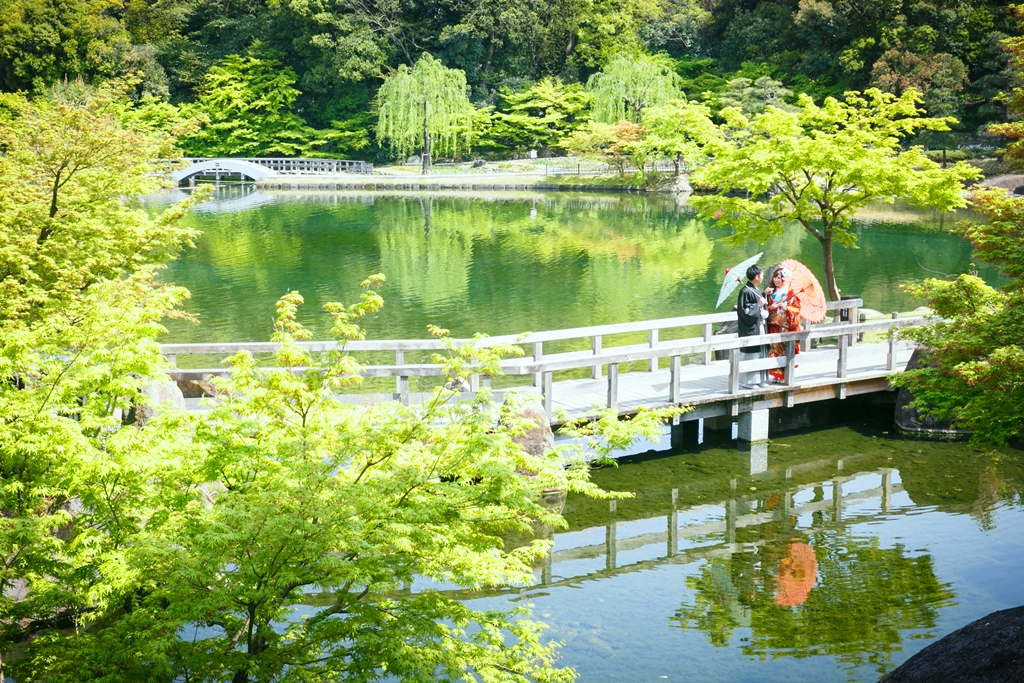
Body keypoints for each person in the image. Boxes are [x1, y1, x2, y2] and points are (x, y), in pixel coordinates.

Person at [763, 266, 801, 383]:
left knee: (785, 348)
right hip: (773, 324)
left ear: (785, 279)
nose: (776, 280)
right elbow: (764, 307)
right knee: (774, 348)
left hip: (785, 325)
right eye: (775, 277)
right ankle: (777, 374)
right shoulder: (770, 291)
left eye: (779, 278)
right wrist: (770, 306)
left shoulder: (791, 293)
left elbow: (797, 309)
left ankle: (786, 374)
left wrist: (786, 307)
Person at [736, 264, 769, 389]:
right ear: (756, 276)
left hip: (759, 326)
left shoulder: (755, 289)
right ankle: (748, 381)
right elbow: (745, 311)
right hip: (751, 328)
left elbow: (758, 301)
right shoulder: (745, 291)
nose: (762, 277)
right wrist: (758, 306)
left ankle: (760, 379)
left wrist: (764, 294)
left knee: (761, 352)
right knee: (752, 354)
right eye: (762, 275)